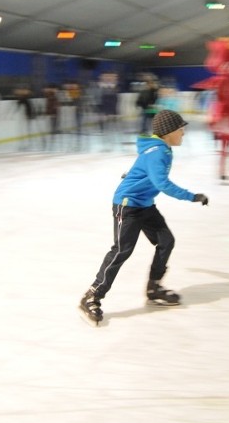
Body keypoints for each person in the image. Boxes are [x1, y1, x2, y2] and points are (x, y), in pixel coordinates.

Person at [78, 109, 209, 326]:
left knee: (166, 241)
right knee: (122, 250)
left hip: (145, 205)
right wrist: (191, 196)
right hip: (128, 206)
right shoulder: (158, 151)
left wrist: (132, 176)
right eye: (180, 129)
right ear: (168, 132)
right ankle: (92, 295)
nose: (183, 133)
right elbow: (162, 184)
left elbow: (145, 170)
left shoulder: (161, 148)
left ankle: (154, 287)